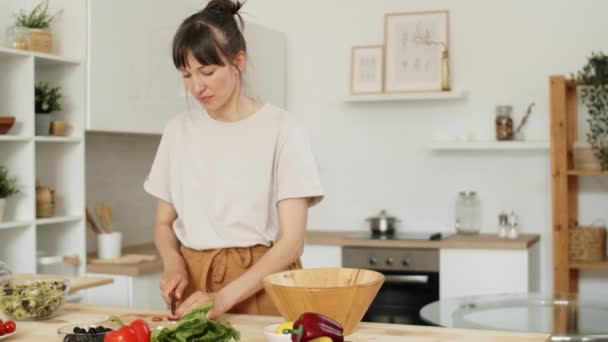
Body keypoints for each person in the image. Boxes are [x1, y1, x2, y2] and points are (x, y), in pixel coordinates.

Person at [144, 0, 324, 320]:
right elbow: (162, 223)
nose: (197, 86)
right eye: (186, 75)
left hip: (261, 282)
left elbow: (292, 241)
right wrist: (173, 264)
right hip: (194, 284)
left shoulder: (283, 129)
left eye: (207, 71)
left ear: (238, 61)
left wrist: (222, 298)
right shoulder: (177, 131)